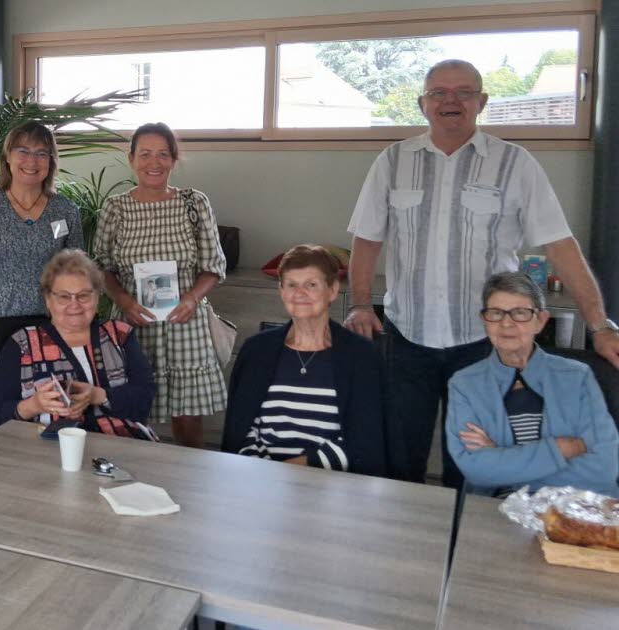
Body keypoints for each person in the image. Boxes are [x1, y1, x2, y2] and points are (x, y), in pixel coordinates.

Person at [344, 59, 619, 486]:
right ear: (423, 104)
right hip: (406, 338)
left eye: (464, 92)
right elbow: (367, 240)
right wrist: (361, 304)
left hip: (485, 344)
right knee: (398, 457)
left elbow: (561, 246)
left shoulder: (515, 163)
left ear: (482, 101)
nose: (450, 100)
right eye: (439, 92)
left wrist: (599, 325)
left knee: (478, 463)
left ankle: (469, 546)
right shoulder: (392, 160)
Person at [94, 122, 226, 448]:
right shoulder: (116, 207)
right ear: (131, 159)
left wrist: (192, 299)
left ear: (174, 159)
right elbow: (100, 267)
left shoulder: (194, 203)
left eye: (163, 155)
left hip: (185, 323)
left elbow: (214, 267)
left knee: (189, 417)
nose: (154, 163)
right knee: (131, 409)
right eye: (146, 154)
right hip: (132, 323)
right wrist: (124, 302)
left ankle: (188, 482)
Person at [0, 121, 84, 437]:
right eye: (23, 150)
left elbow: (78, 275)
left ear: (51, 162)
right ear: (8, 157)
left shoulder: (65, 211)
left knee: (50, 423)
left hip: (50, 338)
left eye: (42, 153)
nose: (31, 160)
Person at [447, 271, 619, 497]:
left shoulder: (577, 377)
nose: (506, 323)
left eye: (520, 313)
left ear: (541, 321)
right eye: (496, 313)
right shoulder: (465, 384)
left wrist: (502, 457)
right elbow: (476, 470)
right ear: (484, 321)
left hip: (580, 508)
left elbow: (603, 469)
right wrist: (560, 449)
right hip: (498, 510)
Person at [221, 245, 388, 476]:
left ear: (332, 290)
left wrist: (295, 469)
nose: (300, 293)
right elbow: (241, 430)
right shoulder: (256, 351)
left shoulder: (361, 356)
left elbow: (364, 439)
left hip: (333, 485)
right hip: (259, 480)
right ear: (281, 291)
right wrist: (262, 474)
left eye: (311, 284)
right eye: (291, 284)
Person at [0, 249, 157, 440]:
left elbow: (145, 399)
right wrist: (35, 404)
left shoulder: (120, 335)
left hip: (121, 445)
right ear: (48, 300)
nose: (74, 304)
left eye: (84, 295)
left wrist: (99, 396)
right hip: (45, 450)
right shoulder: (22, 344)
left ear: (96, 297)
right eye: (63, 296)